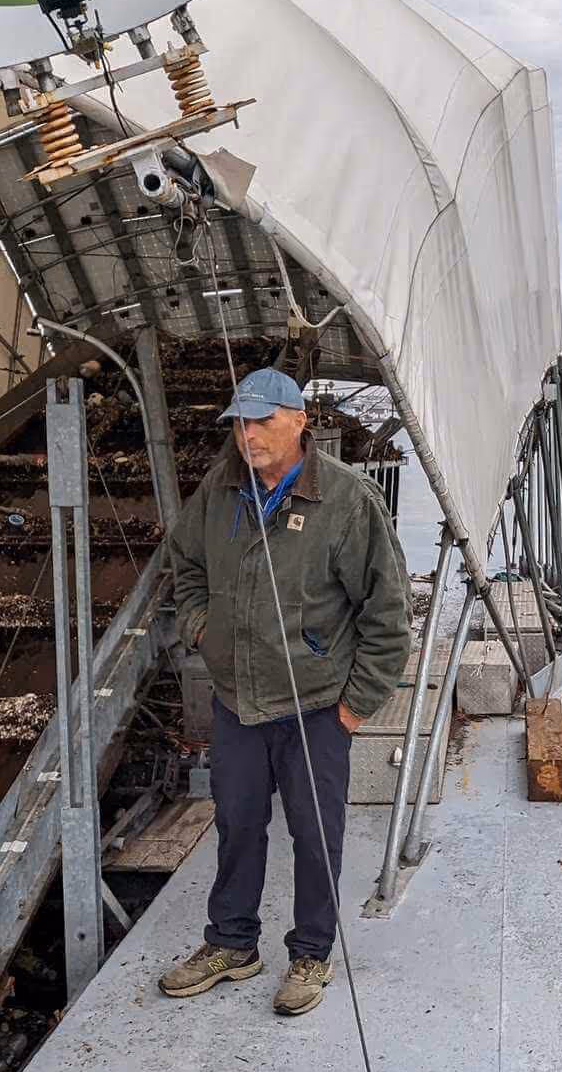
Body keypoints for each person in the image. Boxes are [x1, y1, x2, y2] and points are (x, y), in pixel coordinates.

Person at [155, 369, 410, 1019]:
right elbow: (183, 561)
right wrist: (199, 625)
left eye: (263, 421)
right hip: (239, 699)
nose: (248, 435)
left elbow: (387, 615)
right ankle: (232, 943)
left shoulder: (348, 501)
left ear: (299, 420)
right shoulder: (220, 491)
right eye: (240, 422)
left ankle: (311, 952)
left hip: (316, 704)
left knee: (315, 833)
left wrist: (353, 708)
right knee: (237, 822)